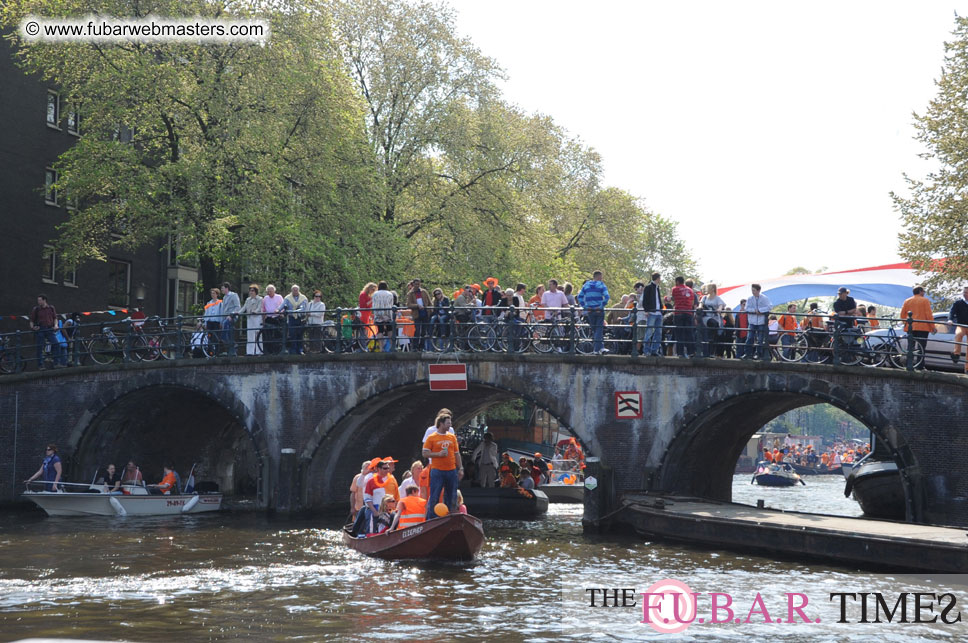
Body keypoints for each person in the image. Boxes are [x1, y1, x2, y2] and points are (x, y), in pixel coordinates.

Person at [422, 414, 462, 518]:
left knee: (451, 495)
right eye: (448, 423)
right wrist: (438, 454)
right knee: (435, 494)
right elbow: (425, 453)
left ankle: (450, 517)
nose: (450, 425)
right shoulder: (432, 437)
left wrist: (460, 468)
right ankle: (431, 518)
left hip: (451, 470)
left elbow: (457, 453)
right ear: (441, 423)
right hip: (437, 471)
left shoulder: (452, 437)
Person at [900, 285, 934, 369]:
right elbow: (928, 315)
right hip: (923, 327)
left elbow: (902, 314)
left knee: (910, 346)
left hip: (911, 327)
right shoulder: (925, 301)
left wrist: (906, 323)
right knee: (921, 347)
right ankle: (920, 366)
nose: (924, 293)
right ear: (920, 291)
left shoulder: (907, 301)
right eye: (923, 292)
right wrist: (932, 327)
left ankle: (909, 364)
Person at [577, 270, 610, 354]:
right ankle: (596, 349)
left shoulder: (586, 285)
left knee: (595, 329)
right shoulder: (601, 285)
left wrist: (585, 307)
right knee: (599, 329)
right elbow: (606, 297)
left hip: (590, 310)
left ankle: (600, 348)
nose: (602, 279)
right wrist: (601, 306)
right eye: (601, 277)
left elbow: (580, 297)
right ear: (599, 277)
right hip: (599, 310)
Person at [30, 294, 66, 369]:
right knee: (40, 347)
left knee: (56, 344)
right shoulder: (36, 309)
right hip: (41, 329)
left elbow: (55, 318)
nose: (38, 302)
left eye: (40, 300)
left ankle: (56, 363)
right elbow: (31, 320)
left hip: (49, 329)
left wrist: (56, 325)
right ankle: (40, 365)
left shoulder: (51, 308)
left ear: (44, 300)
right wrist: (33, 327)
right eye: (38, 300)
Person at [744, 284, 773, 361]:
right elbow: (747, 308)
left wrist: (760, 310)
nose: (753, 292)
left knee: (760, 339)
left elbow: (769, 306)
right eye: (752, 290)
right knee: (750, 337)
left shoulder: (764, 298)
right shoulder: (750, 299)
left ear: (758, 290)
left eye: (754, 290)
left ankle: (758, 353)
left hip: (760, 321)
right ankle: (747, 353)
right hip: (752, 321)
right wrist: (754, 311)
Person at [670, 276, 696, 358]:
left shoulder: (675, 289)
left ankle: (680, 353)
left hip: (678, 313)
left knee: (679, 334)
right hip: (688, 313)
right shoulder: (690, 290)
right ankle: (691, 352)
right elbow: (692, 303)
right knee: (689, 333)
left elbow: (673, 299)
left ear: (677, 281)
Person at [699, 284, 726, 358]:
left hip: (715, 317)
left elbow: (721, 305)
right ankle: (710, 340)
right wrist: (700, 307)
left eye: (708, 288)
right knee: (713, 324)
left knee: (716, 331)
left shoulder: (717, 298)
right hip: (707, 317)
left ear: (712, 289)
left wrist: (719, 309)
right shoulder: (705, 297)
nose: (706, 290)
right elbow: (701, 304)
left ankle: (712, 351)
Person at [406, 278, 432, 351]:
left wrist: (429, 310)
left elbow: (429, 302)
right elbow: (409, 304)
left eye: (418, 284)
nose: (417, 285)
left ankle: (422, 347)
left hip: (425, 313)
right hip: (416, 314)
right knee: (417, 331)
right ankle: (415, 347)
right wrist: (417, 306)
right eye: (415, 284)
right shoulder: (410, 294)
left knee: (424, 331)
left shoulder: (424, 292)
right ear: (413, 284)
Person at [283, 285, 309, 355]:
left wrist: (297, 311)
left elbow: (303, 307)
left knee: (299, 334)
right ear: (291, 291)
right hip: (291, 318)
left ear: (298, 290)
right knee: (292, 334)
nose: (295, 291)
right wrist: (277, 310)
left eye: (296, 290)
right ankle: (293, 350)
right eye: (293, 290)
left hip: (300, 318)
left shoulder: (303, 298)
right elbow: (283, 305)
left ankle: (300, 350)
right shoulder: (288, 298)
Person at [218, 282, 241, 356]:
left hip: (232, 316)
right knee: (227, 331)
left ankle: (223, 340)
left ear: (227, 288)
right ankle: (231, 347)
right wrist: (221, 320)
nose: (221, 290)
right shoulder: (224, 297)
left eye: (222, 288)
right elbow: (224, 310)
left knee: (226, 326)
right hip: (226, 317)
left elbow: (237, 307)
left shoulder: (234, 295)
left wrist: (232, 314)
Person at [261, 285, 285, 355]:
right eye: (268, 291)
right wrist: (263, 319)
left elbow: (282, 306)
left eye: (271, 291)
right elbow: (263, 309)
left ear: (274, 291)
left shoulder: (279, 297)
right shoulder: (265, 298)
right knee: (268, 335)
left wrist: (280, 313)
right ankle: (269, 350)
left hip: (277, 317)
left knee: (277, 335)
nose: (269, 292)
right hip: (269, 318)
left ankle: (277, 350)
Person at [371, 282, 395, 350]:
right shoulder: (390, 294)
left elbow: (374, 304)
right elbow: (391, 304)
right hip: (388, 313)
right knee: (389, 329)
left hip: (379, 313)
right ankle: (391, 346)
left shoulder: (375, 294)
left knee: (380, 330)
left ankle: (381, 347)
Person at [949, 286, 968, 370]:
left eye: (967, 292)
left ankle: (967, 368)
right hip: (961, 325)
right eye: (964, 292)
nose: (965, 294)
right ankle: (956, 354)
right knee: (959, 334)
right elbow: (952, 311)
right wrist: (950, 319)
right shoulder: (958, 303)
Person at [242, 285, 263, 356]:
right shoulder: (248, 299)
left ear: (256, 292)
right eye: (250, 291)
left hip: (257, 318)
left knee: (258, 335)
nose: (251, 292)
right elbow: (244, 308)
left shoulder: (260, 299)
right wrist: (238, 312)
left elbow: (259, 308)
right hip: (250, 318)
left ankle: (259, 351)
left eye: (252, 291)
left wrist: (255, 311)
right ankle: (250, 352)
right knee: (250, 335)